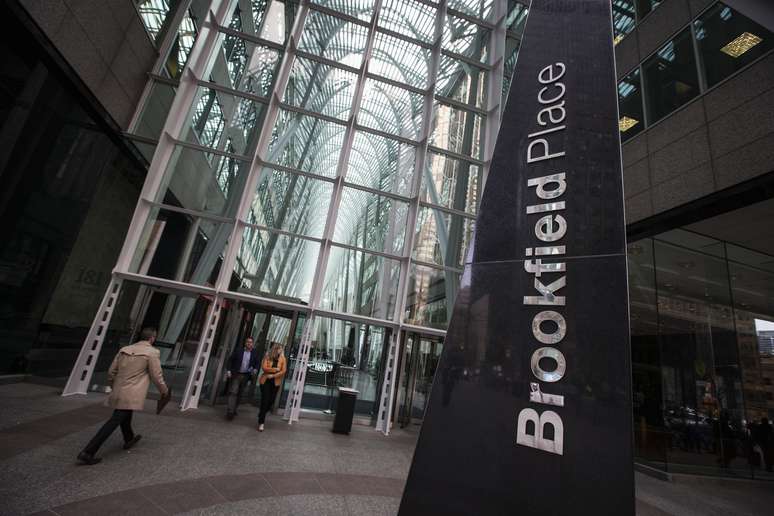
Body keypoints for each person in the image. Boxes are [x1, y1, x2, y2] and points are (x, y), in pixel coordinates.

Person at [77, 327, 168, 465]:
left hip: (120, 389)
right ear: (152, 338)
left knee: (124, 413)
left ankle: (129, 438)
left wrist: (114, 386)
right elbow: (157, 376)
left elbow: (111, 372)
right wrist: (164, 391)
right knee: (115, 420)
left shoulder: (124, 349)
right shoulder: (152, 352)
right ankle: (88, 451)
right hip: (132, 392)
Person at [225, 336, 260, 420]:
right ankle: (230, 411)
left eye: (251, 342)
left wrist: (255, 369)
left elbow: (257, 363)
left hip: (246, 376)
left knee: (240, 393)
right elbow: (230, 360)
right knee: (233, 392)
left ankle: (234, 408)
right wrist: (229, 370)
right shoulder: (238, 350)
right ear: (245, 343)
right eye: (248, 342)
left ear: (253, 344)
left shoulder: (255, 353)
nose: (249, 343)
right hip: (237, 374)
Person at [257, 342, 286, 431]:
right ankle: (261, 422)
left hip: (275, 382)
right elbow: (264, 367)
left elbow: (283, 371)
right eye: (280, 349)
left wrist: (273, 375)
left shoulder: (283, 359)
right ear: (276, 349)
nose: (281, 350)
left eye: (281, 349)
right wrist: (274, 369)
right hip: (265, 381)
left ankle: (262, 413)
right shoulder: (267, 356)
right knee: (265, 401)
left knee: (271, 401)